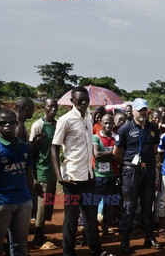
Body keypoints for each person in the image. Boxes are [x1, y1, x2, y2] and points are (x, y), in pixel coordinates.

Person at [50, 87, 113, 256]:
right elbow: (54, 147)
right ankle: (68, 252)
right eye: (80, 100)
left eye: (86, 100)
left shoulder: (87, 117)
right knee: (71, 219)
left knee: (91, 217)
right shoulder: (65, 120)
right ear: (72, 101)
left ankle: (95, 249)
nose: (84, 103)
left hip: (88, 175)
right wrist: (59, 176)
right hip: (72, 177)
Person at [113, 98, 161, 253]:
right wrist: (130, 164)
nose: (142, 113)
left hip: (148, 170)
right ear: (133, 111)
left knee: (148, 205)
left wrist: (145, 163)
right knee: (129, 205)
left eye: (144, 110)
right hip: (131, 172)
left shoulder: (153, 128)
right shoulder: (125, 129)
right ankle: (125, 240)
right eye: (139, 110)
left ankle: (149, 236)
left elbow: (154, 148)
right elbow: (117, 152)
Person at [0, 109, 35, 255]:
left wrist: (32, 197)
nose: (8, 125)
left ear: (17, 124)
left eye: (12, 122)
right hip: (1, 203)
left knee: (20, 244)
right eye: (3, 122)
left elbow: (28, 172)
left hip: (23, 201)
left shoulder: (24, 146)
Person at [29, 98, 59, 248]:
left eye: (55, 106)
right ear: (44, 108)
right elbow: (32, 152)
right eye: (50, 106)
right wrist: (34, 177)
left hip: (53, 172)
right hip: (42, 171)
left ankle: (41, 233)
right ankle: (37, 237)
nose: (53, 109)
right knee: (41, 205)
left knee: (47, 205)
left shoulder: (57, 124)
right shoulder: (38, 125)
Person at [93, 114, 119, 239]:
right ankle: (92, 231)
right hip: (98, 177)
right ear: (101, 123)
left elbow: (120, 155)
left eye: (110, 123)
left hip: (112, 176)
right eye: (105, 123)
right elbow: (97, 154)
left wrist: (110, 154)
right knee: (94, 203)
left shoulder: (116, 138)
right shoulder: (95, 138)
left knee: (110, 205)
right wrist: (113, 153)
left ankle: (106, 230)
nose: (108, 125)